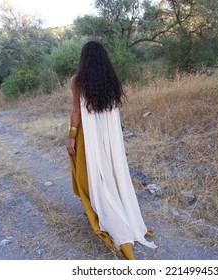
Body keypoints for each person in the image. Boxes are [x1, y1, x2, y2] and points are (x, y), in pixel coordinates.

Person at [66, 41, 157, 260]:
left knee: (92, 174)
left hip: (90, 136)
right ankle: (119, 208)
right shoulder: (111, 80)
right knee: (114, 172)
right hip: (110, 137)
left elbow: (77, 111)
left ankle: (106, 211)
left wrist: (71, 136)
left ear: (84, 58)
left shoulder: (77, 80)